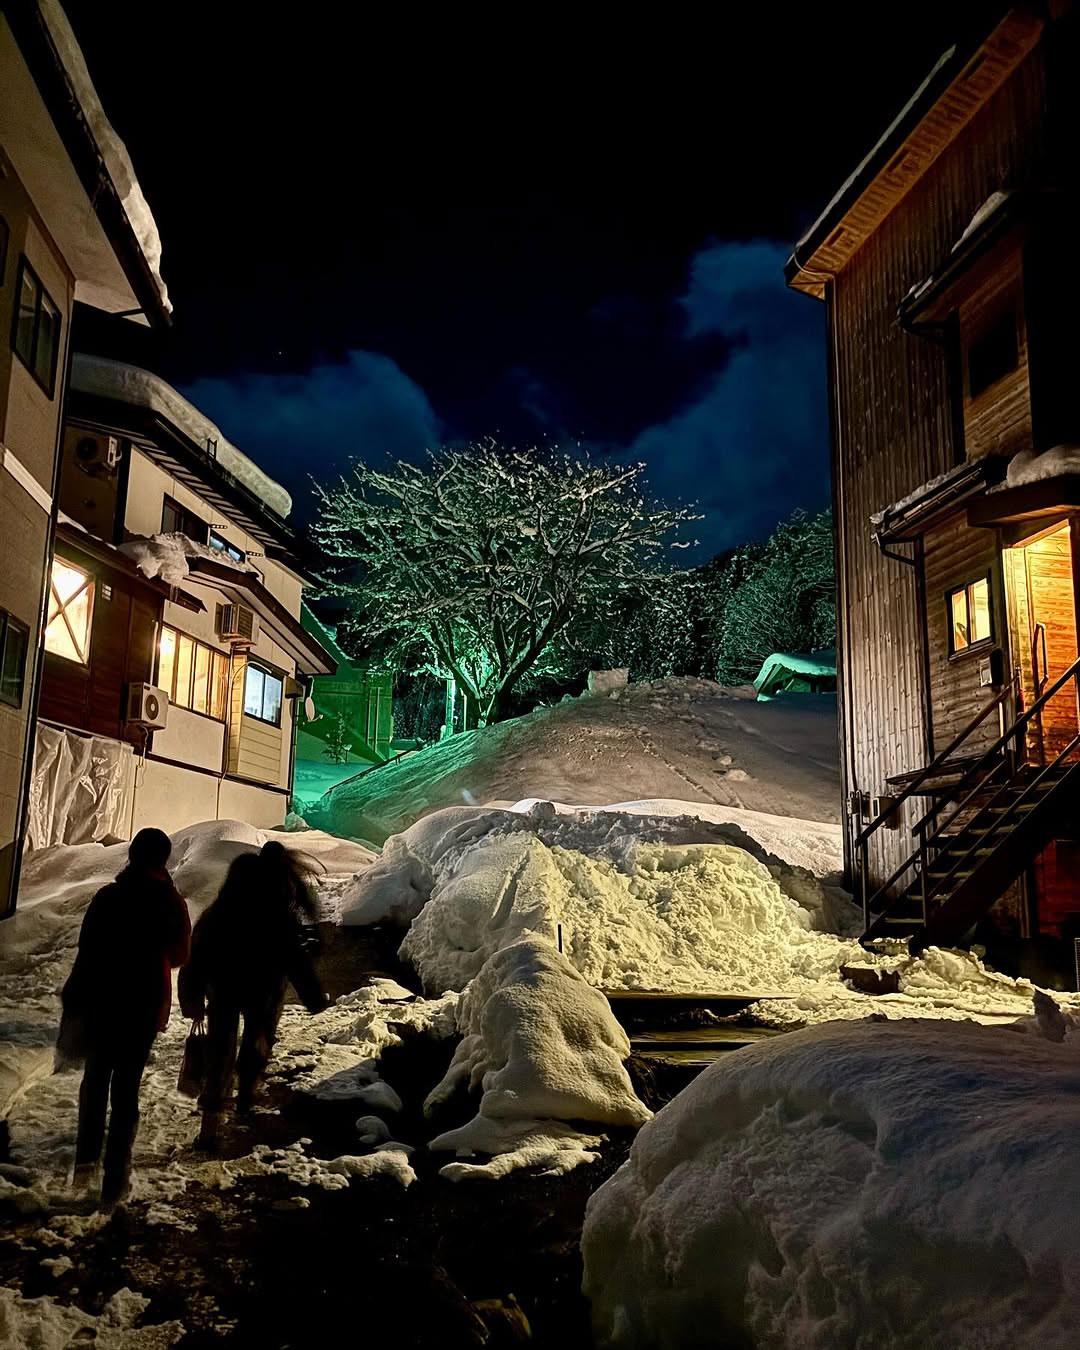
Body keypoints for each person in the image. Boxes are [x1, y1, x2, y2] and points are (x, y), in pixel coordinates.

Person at [58, 827, 190, 1210]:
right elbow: (181, 954)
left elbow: (87, 948)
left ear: (131, 855)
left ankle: (84, 1165)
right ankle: (115, 1181)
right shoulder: (170, 902)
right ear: (163, 859)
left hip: (102, 1001)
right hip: (144, 1005)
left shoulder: (108, 897)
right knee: (127, 1088)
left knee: (96, 1081)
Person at [179, 841, 326, 1150]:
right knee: (258, 1039)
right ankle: (247, 1094)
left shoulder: (216, 914)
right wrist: (314, 997)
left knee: (219, 1052)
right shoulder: (276, 917)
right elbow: (296, 960)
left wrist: (190, 996)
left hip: (223, 992)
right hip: (264, 992)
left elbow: (197, 957)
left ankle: (210, 1125)